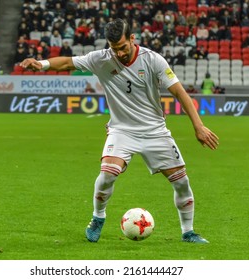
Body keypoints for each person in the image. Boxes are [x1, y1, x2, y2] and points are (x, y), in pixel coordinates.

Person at [20, 18, 219, 244]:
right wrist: (43, 64)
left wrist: (198, 126)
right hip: (122, 131)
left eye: (123, 47)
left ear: (133, 39)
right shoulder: (102, 59)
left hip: (155, 131)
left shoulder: (153, 60)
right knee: (107, 174)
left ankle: (188, 232)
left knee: (181, 181)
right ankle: (98, 217)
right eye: (114, 48)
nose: (120, 53)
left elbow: (180, 93)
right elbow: (67, 63)